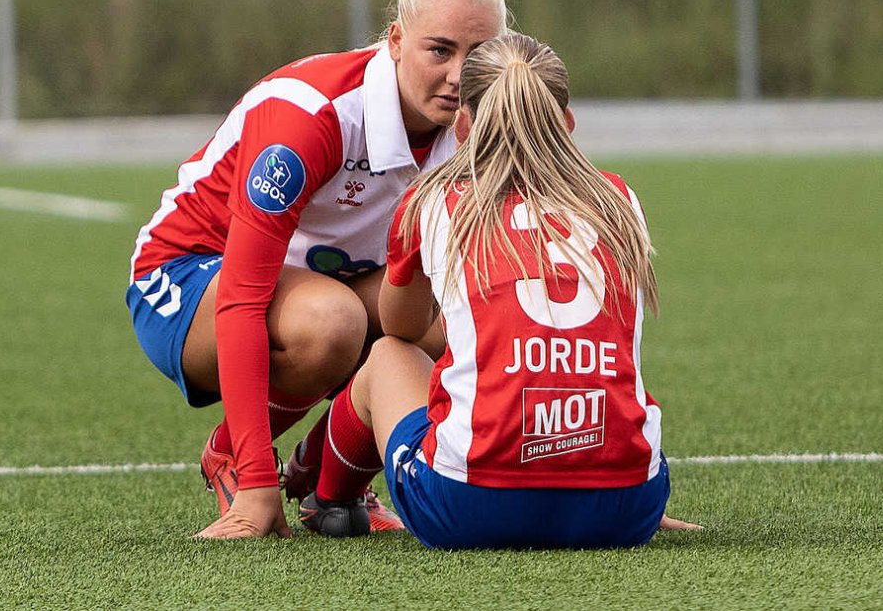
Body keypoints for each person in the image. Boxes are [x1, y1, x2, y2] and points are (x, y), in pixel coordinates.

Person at [126, 0, 510, 539]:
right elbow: (243, 297)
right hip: (188, 277)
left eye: (479, 55)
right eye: (439, 50)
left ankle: (329, 480)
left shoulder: (485, 121)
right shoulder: (312, 116)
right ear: (395, 40)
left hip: (326, 283)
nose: (457, 76)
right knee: (333, 323)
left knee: (466, 318)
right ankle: (233, 455)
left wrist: (612, 486)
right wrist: (255, 486)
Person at [295, 33, 699, 548]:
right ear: (567, 123)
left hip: (470, 507)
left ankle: (332, 500)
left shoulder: (434, 200)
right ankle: (598, 470)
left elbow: (401, 327)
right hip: (627, 508)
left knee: (389, 355)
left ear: (462, 126)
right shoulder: (618, 199)